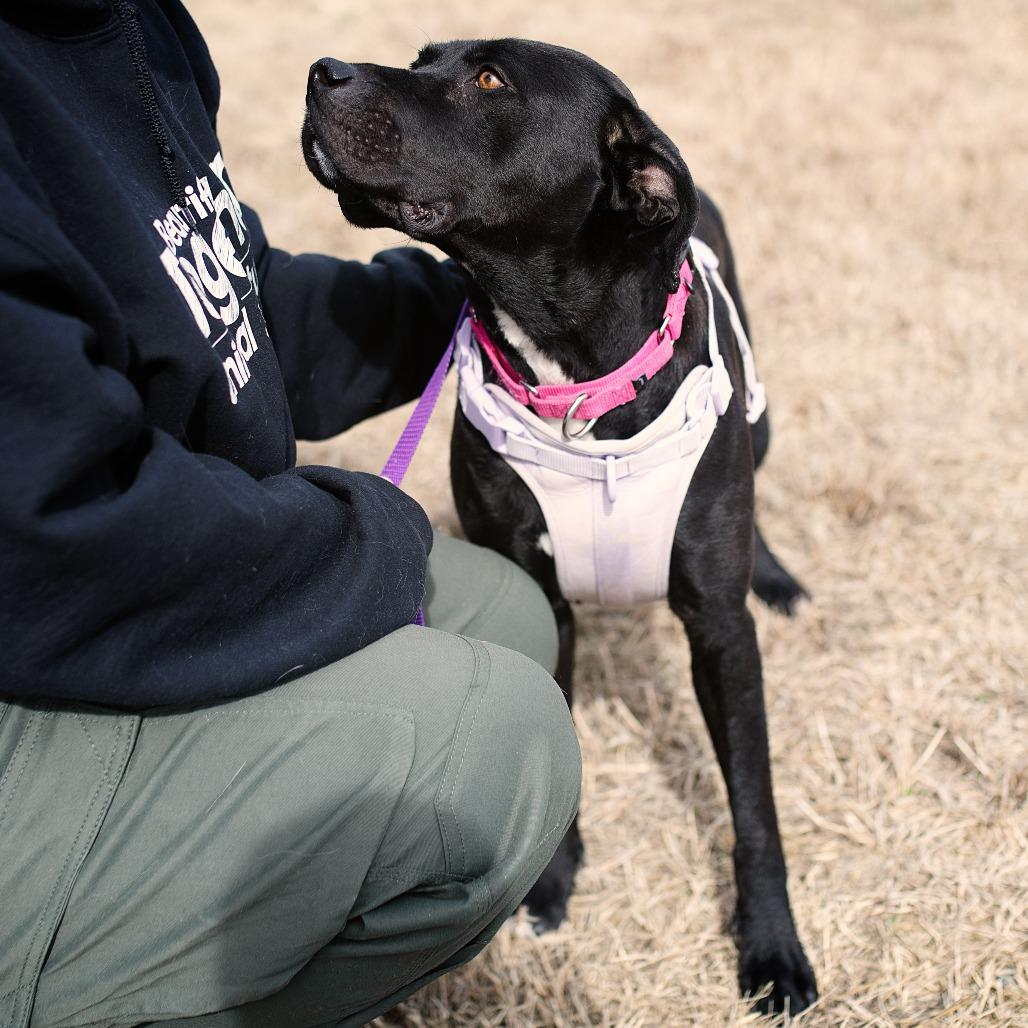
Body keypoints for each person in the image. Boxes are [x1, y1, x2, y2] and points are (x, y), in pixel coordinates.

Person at [0, 1, 582, 1025]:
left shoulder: (125, 22)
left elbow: (224, 302)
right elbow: (67, 526)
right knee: (494, 745)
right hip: (40, 643)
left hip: (116, 586)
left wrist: (496, 284)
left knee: (507, 616)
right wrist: (364, 530)